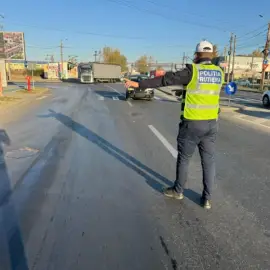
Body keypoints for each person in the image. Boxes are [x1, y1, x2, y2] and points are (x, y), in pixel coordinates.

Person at [125, 40, 224, 209]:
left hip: (192, 123)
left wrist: (138, 84)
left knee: (184, 159)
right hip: (211, 124)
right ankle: (207, 199)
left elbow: (166, 80)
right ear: (211, 55)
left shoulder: (193, 71)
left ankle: (178, 191)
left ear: (196, 55)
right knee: (209, 161)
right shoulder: (219, 72)